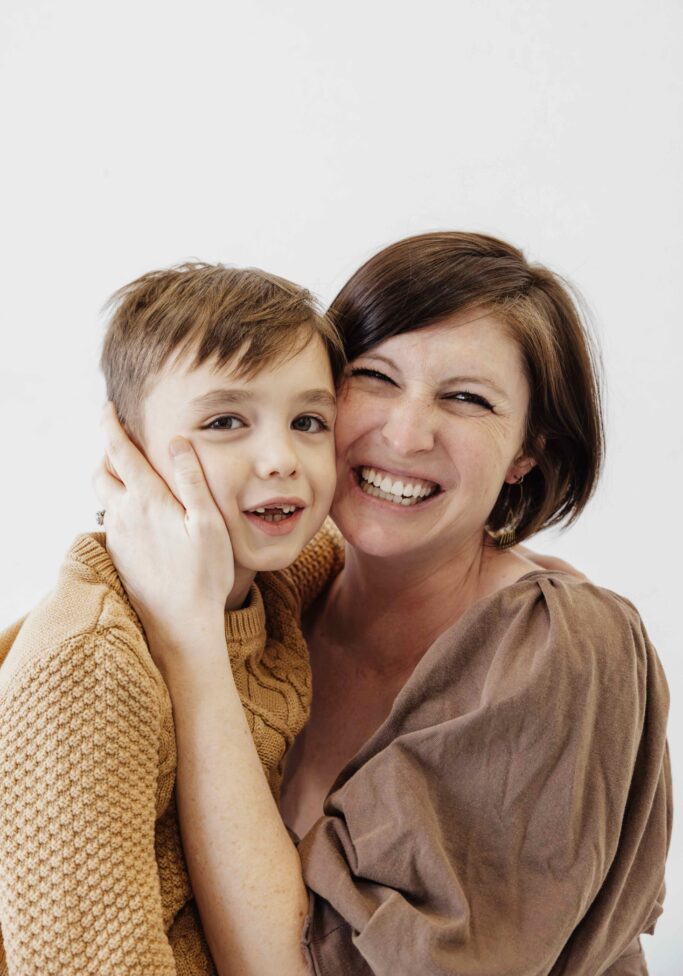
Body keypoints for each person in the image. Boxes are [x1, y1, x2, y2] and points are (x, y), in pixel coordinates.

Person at [98, 233, 672, 976]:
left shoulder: (559, 649)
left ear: (526, 450)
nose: (404, 433)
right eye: (373, 377)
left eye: (466, 399)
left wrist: (190, 643)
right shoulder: (272, 605)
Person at [0, 263, 345, 975]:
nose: (281, 459)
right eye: (225, 422)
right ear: (129, 451)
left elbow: (379, 552)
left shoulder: (279, 579)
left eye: (308, 421)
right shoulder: (93, 663)